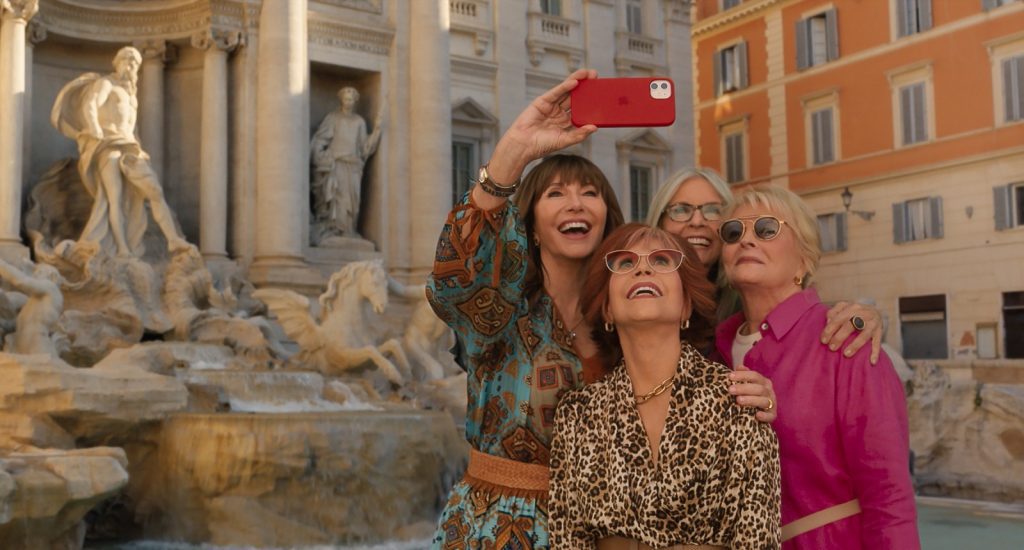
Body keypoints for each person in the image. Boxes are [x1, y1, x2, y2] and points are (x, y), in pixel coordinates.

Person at [427, 70, 776, 549]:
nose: (576, 203)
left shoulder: (628, 324)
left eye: (589, 192)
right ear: (528, 223)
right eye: (556, 193)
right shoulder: (502, 312)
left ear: (608, 216)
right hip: (498, 529)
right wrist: (515, 152)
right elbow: (453, 280)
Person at [549, 223, 780, 549]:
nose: (643, 267)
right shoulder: (577, 413)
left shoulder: (736, 400)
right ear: (607, 309)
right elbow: (567, 539)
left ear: (686, 304)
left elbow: (758, 541)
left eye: (661, 260)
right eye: (625, 263)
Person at [713, 185, 919, 549]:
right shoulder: (715, 354)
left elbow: (888, 498)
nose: (746, 239)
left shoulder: (845, 343)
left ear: (805, 259)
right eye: (733, 232)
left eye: (766, 229)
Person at [646, 168, 885, 364]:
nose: (696, 221)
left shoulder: (745, 310)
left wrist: (867, 318)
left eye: (713, 211)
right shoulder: (633, 297)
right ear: (658, 223)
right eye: (680, 210)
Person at [50, 46, 190, 258]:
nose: (131, 65)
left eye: (135, 62)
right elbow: (91, 104)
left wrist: (140, 148)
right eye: (127, 59)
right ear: (117, 62)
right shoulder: (107, 83)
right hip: (108, 146)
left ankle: (172, 239)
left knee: (154, 190)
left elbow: (132, 128)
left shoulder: (131, 95)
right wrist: (95, 127)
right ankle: (123, 248)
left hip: (130, 148)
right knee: (114, 199)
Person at [310, 86, 383, 237]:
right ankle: (336, 229)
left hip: (354, 165)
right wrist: (321, 156)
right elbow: (320, 140)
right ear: (341, 100)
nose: (348, 102)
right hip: (337, 163)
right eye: (346, 99)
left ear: (355, 101)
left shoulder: (359, 122)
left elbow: (364, 147)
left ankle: (349, 230)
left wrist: (376, 131)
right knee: (338, 198)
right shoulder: (333, 118)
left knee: (352, 202)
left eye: (351, 99)